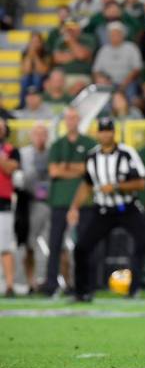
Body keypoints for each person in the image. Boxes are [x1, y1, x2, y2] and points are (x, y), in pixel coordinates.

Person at [67, 117, 145, 302]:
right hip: (103, 211)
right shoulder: (92, 156)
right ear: (98, 133)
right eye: (102, 130)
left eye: (108, 130)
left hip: (128, 209)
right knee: (82, 248)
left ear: (113, 133)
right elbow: (86, 184)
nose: (105, 134)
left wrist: (116, 186)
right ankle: (82, 292)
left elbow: (141, 182)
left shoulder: (127, 153)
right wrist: (74, 207)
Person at [42, 108, 96, 297]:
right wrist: (77, 169)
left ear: (79, 120)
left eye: (74, 117)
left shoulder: (89, 143)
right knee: (54, 243)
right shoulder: (58, 144)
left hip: (84, 200)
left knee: (84, 243)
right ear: (65, 121)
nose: (71, 121)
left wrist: (67, 166)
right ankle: (51, 284)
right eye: (69, 118)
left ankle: (85, 284)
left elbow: (89, 169)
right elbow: (54, 171)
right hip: (60, 200)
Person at [18, 123, 50, 294]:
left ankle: (60, 281)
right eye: (37, 134)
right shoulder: (24, 155)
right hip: (31, 203)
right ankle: (31, 282)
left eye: (43, 133)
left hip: (52, 203)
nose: (40, 137)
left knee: (58, 244)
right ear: (31, 136)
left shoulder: (53, 153)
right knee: (29, 244)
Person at [92, 22, 143, 100]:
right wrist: (102, 80)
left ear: (123, 35)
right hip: (108, 83)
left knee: (131, 98)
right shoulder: (103, 50)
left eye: (117, 34)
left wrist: (125, 82)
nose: (115, 36)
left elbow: (137, 68)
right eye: (112, 34)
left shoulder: (131, 47)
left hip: (128, 82)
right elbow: (96, 70)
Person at [0, 118, 19, 297]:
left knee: (4, 246)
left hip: (2, 202)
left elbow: (9, 168)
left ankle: (10, 285)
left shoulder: (11, 150)